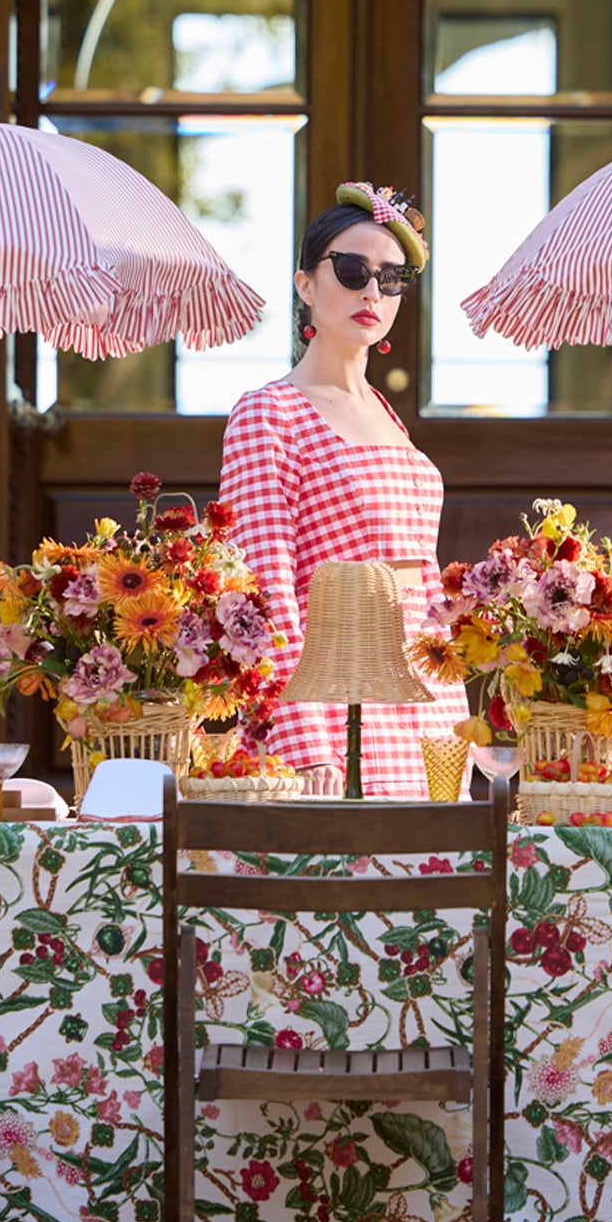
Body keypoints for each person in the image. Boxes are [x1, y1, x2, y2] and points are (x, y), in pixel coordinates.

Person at [219, 183, 468, 797]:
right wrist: (301, 742)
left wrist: (457, 723)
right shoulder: (269, 414)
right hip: (333, 704)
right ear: (305, 285)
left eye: (391, 278)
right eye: (353, 270)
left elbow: (424, 585)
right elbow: (263, 588)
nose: (371, 291)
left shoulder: (388, 416)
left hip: (427, 706)